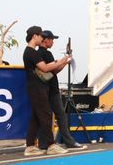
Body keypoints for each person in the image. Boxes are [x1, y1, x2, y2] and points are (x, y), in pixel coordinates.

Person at [23, 25, 71, 156]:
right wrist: (62, 61)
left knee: (36, 117)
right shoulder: (31, 52)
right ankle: (51, 145)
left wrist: (61, 62)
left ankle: (30, 146)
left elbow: (47, 67)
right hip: (37, 88)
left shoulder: (30, 52)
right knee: (46, 115)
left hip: (36, 88)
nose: (42, 38)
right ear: (35, 36)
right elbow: (44, 68)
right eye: (40, 36)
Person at [38, 30, 87, 150]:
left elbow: (51, 69)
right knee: (61, 115)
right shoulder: (46, 54)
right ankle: (69, 142)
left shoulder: (38, 54)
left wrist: (62, 62)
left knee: (45, 117)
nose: (53, 42)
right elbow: (53, 71)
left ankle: (43, 144)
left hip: (43, 90)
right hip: (52, 89)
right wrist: (65, 62)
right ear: (46, 40)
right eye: (52, 40)